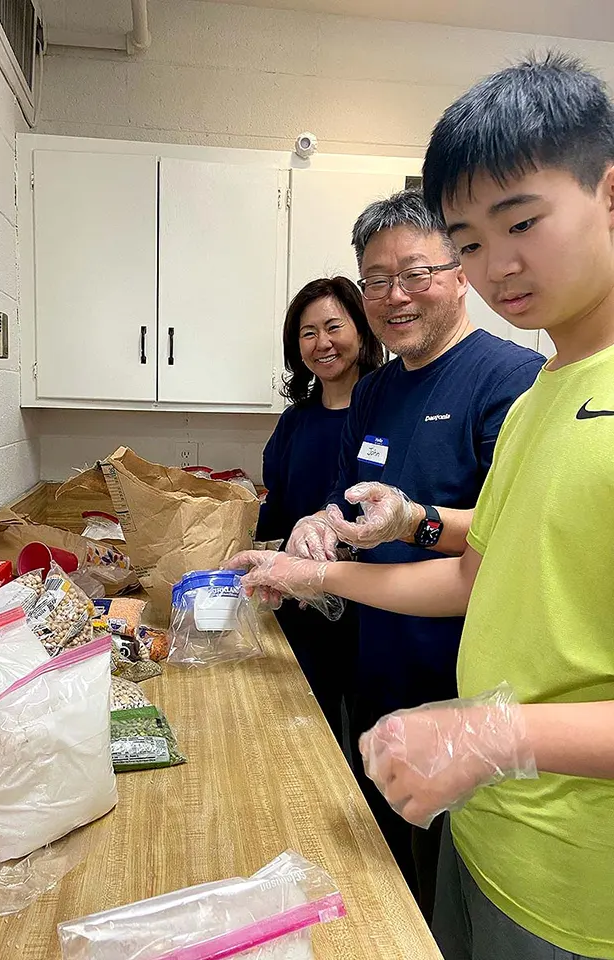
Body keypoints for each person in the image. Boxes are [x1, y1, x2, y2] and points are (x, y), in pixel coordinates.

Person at [232, 53, 614, 960]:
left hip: (581, 885)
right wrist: (374, 537)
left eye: (522, 221)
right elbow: (487, 571)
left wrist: (490, 732)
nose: (499, 264)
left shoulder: (508, 378)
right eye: (473, 239)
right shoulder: (545, 395)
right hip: (488, 832)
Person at [240, 190, 544, 919]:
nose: (394, 295)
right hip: (377, 671)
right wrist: (318, 523)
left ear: (462, 270)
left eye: (416, 273)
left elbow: (515, 533)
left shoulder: (509, 380)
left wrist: (414, 521)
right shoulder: (374, 391)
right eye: (376, 279)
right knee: (386, 883)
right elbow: (348, 501)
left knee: (450, 901)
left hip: (466, 690)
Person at [256, 277, 383, 745]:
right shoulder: (296, 421)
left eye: (334, 326)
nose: (322, 343)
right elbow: (278, 506)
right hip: (302, 605)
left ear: (363, 329)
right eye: (308, 333)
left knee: (375, 750)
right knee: (308, 738)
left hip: (376, 608)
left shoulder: (388, 413)